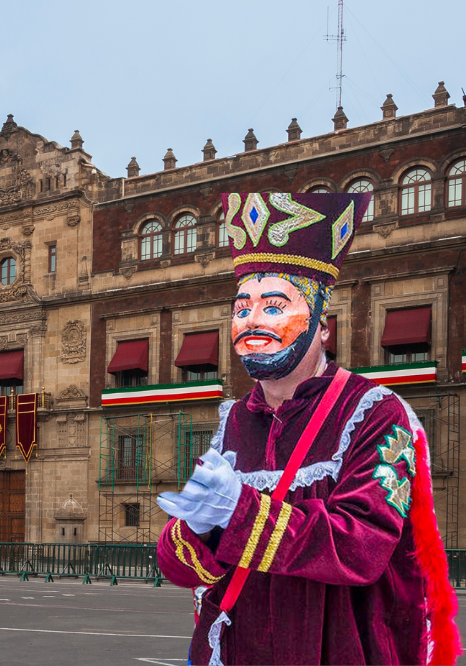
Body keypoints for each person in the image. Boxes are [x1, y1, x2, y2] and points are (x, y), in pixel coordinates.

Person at [156, 192, 459, 666]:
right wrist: (198, 531)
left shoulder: (376, 413)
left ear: (322, 326)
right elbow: (180, 567)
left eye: (274, 307)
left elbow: (361, 546)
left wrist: (238, 516)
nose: (252, 321)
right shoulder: (232, 421)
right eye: (242, 308)